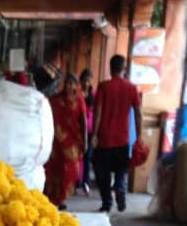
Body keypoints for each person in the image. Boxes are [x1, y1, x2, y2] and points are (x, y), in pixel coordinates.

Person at [91, 55, 142, 213]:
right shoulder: (132, 88)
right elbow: (138, 113)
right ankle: (120, 186)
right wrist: (139, 136)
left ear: (110, 67)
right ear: (124, 68)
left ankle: (107, 203)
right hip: (123, 139)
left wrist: (94, 134)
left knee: (102, 172)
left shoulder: (103, 86)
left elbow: (98, 111)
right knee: (121, 168)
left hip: (105, 139)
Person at [44, 73, 88, 210]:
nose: (70, 86)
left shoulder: (80, 100)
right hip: (57, 141)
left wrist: (86, 141)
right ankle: (54, 200)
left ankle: (61, 197)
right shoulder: (56, 100)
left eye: (72, 83)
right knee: (55, 169)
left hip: (73, 140)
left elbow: (84, 122)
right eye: (68, 83)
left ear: (76, 85)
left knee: (71, 170)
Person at [78, 68, 95, 194]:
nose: (86, 83)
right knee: (77, 156)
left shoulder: (93, 94)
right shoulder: (77, 93)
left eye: (88, 81)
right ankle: (76, 181)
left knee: (87, 157)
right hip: (77, 128)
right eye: (84, 80)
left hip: (89, 129)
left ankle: (86, 182)